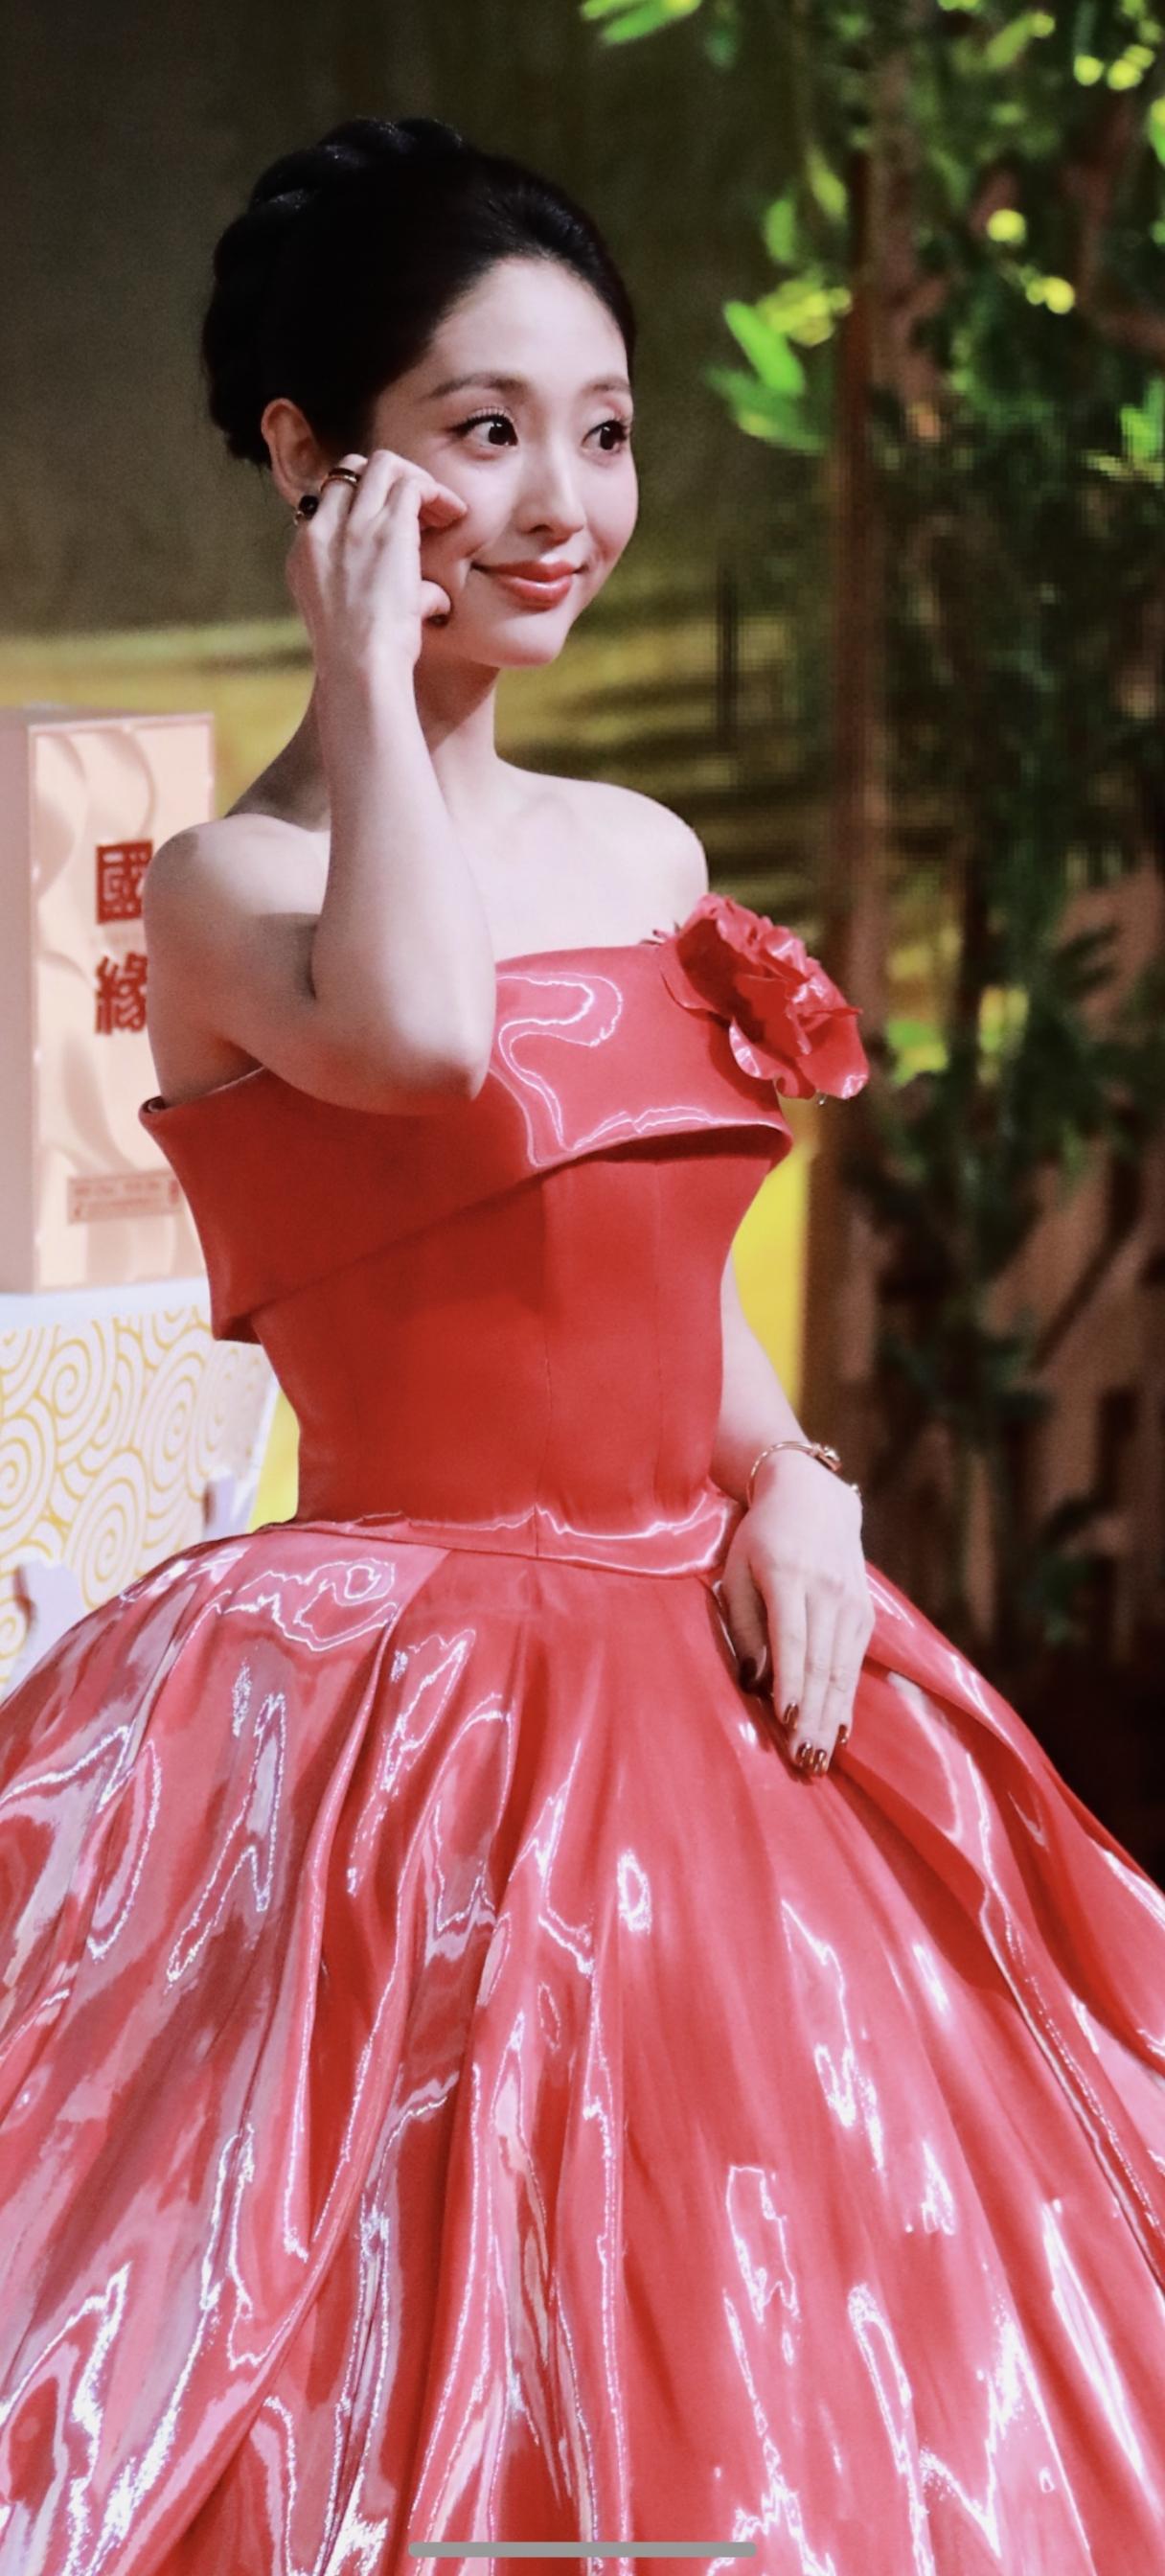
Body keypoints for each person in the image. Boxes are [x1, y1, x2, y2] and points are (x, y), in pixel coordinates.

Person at [1, 113, 1164, 2576]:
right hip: (388, 1707)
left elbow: (659, 1299)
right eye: (483, 430)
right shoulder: (221, 889)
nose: (562, 506)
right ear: (310, 460)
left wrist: (795, 1484)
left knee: (806, 2315)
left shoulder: (641, 854)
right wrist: (355, 674)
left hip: (698, 1659)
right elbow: (425, 1044)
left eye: (604, 431)